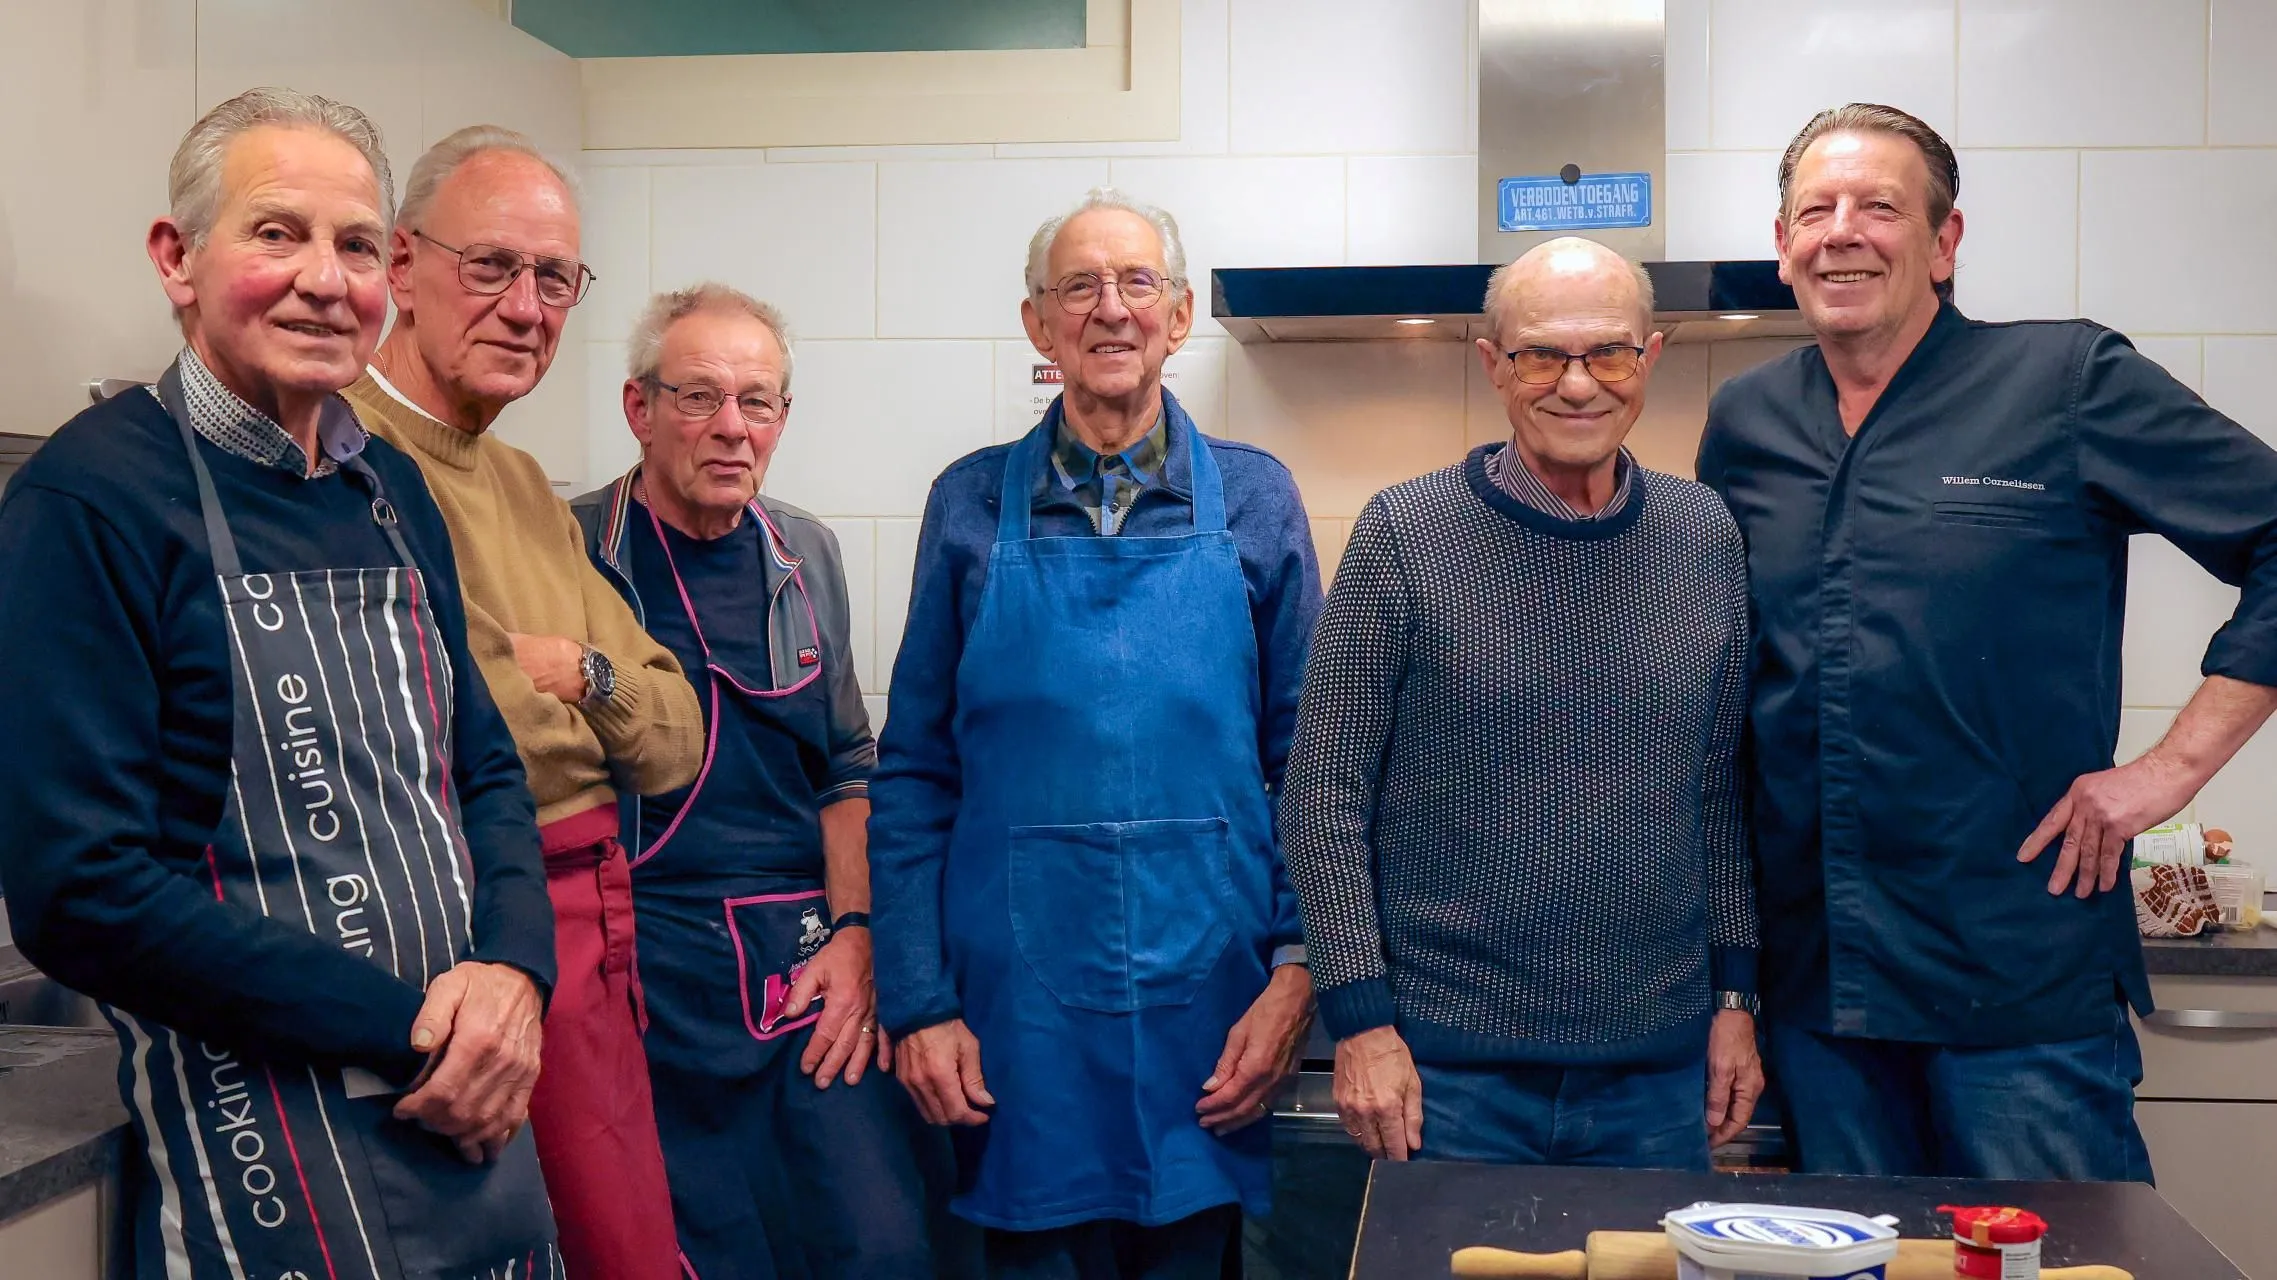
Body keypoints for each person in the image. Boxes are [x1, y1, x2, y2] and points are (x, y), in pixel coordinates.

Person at [0, 88, 561, 1277]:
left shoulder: (390, 492)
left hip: (471, 1120)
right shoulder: (89, 499)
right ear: (177, 258)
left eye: (354, 245)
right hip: (267, 1128)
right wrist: (415, 1031)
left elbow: (483, 768)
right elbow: (79, 889)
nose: (323, 278)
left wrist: (516, 971)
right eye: (275, 233)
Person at [1696, 102, 2277, 1181]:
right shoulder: (1747, 421)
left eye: (1879, 207)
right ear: (1782, 245)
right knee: (1859, 1257)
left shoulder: (2065, 381)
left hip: (2017, 981)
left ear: (1944, 241)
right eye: (1815, 210)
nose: (1842, 231)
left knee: (2055, 1255)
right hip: (1819, 992)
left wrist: (2166, 773)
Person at [869, 188, 1321, 1277]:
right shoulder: (968, 504)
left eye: (1137, 283)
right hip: (1015, 1027)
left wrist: (1298, 971)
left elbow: (1310, 767)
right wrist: (918, 999)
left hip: (1210, 1016)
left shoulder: (1256, 498)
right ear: (1038, 324)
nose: (1110, 309)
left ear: (1179, 315)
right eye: (1079, 287)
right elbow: (915, 772)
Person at [1279, 237, 1762, 1170]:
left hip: (1657, 1083)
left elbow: (1718, 797)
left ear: (1649, 358)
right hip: (1446, 1079)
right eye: (1541, 355)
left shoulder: (1703, 534)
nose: (1576, 386)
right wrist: (1360, 1020)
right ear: (1493, 364)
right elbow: (1322, 798)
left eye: (1607, 353)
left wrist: (1734, 1002)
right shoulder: (1403, 534)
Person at [341, 124, 701, 1277]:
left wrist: (585, 674)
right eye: (492, 265)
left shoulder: (522, 481)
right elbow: (463, 720)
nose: (527, 307)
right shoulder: (340, 453)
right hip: (467, 934)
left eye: (554, 278)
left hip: (591, 937)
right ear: (402, 264)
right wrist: (567, 699)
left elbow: (675, 735)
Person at [572, 283, 967, 1279]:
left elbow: (847, 768)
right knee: (675, 1248)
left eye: (757, 401)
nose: (732, 427)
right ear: (639, 408)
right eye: (699, 396)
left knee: (877, 1241)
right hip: (640, 957)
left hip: (798, 955)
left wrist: (857, 933)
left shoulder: (807, 552)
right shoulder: (571, 548)